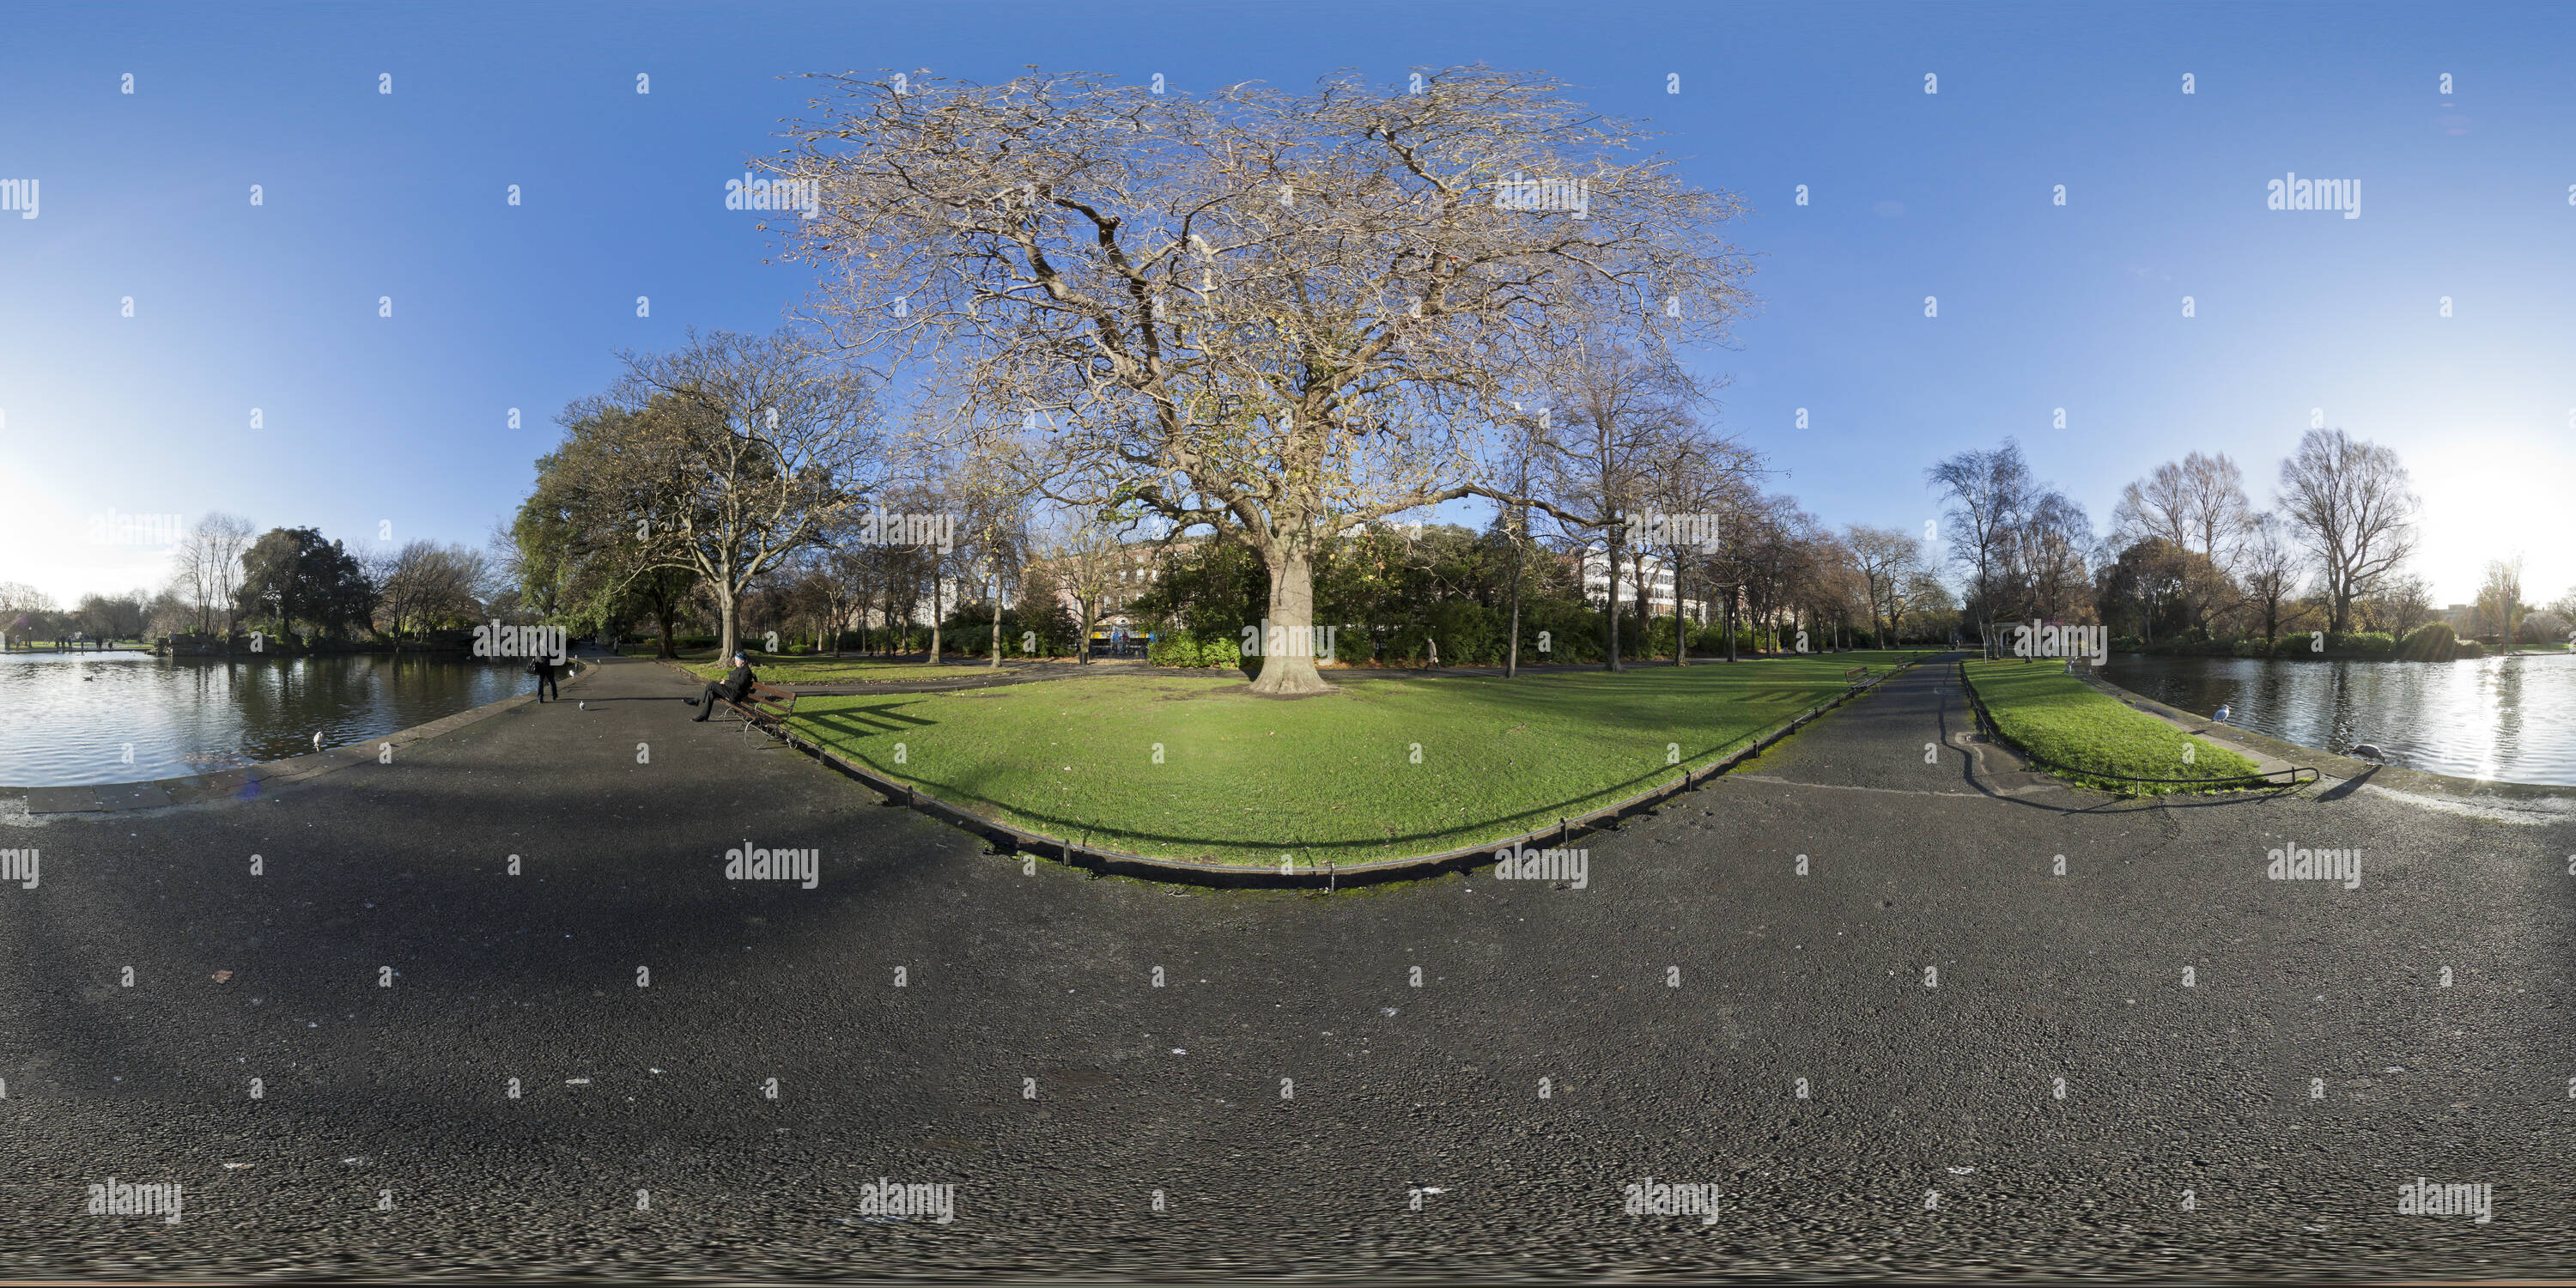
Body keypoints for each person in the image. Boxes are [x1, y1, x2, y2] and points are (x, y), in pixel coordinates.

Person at [688, 653, 756, 721]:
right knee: (711, 693)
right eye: (735, 660)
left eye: (737, 660)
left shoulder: (746, 672)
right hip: (731, 691)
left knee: (712, 684)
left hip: (735, 695)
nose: (735, 662)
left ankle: (696, 700)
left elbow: (738, 686)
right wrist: (725, 683)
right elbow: (734, 682)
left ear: (743, 661)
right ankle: (704, 716)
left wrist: (725, 682)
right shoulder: (739, 668)